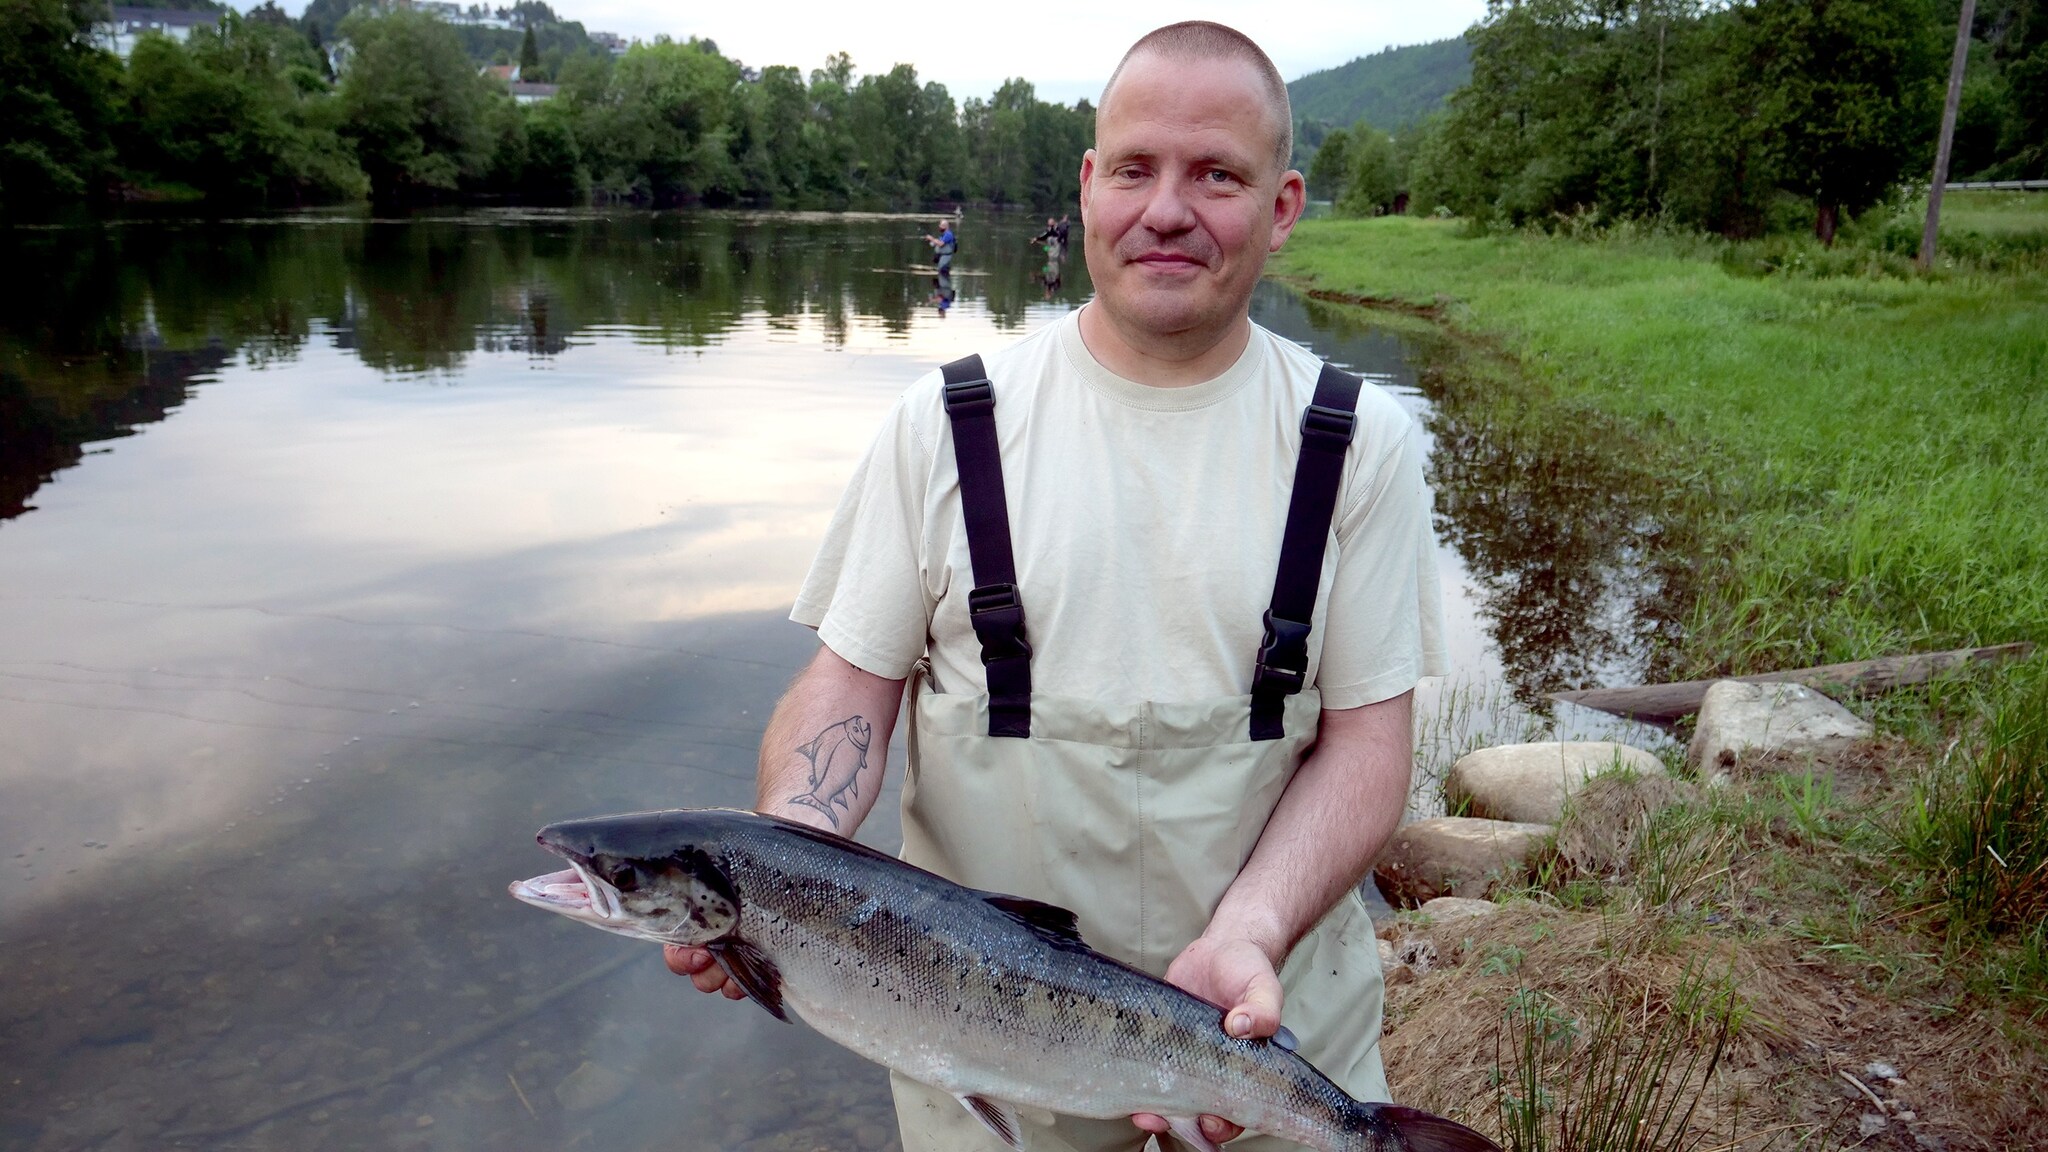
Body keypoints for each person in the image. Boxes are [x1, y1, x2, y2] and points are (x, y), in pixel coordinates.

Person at [669, 20, 1446, 1152]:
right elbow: (849, 683)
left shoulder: (1357, 442)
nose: (1165, 209)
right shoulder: (944, 426)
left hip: (1269, 1044)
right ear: (1087, 186)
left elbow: (1370, 744)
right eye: (1133, 168)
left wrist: (1253, 933)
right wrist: (784, 867)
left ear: (1281, 208)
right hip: (980, 1074)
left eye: (1214, 174)